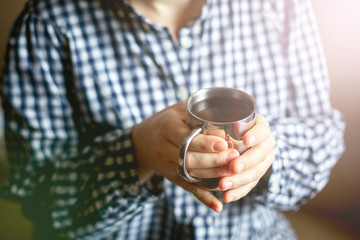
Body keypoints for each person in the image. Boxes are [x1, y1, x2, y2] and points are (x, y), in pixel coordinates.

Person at [0, 0, 345, 239]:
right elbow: (38, 200)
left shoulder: (280, 6)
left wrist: (269, 154)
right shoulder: (49, 23)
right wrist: (138, 152)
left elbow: (323, 135)